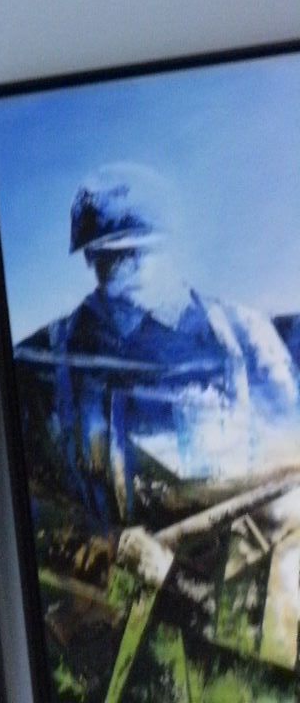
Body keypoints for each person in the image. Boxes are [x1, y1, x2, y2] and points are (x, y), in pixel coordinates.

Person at [16, 162, 300, 529]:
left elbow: (291, 458)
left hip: (240, 544)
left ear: (169, 246)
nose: (126, 266)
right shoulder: (51, 353)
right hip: (111, 553)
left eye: (139, 249)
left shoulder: (244, 335)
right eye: (110, 254)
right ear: (89, 257)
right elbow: (35, 491)